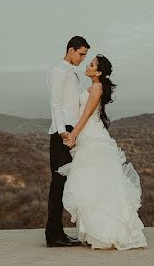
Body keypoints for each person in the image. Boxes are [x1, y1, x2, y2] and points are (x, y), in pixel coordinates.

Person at [57, 54, 147, 250]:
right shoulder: (92, 86)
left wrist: (73, 135)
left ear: (98, 72)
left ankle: (106, 231)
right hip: (88, 136)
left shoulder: (97, 87)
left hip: (92, 137)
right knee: (91, 181)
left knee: (96, 181)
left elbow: (87, 114)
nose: (87, 66)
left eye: (91, 65)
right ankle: (92, 231)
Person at [44, 35, 88, 247]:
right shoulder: (58, 71)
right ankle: (53, 235)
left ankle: (57, 232)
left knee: (64, 184)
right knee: (58, 183)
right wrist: (62, 132)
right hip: (61, 134)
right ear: (71, 50)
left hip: (71, 132)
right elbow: (56, 104)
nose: (82, 59)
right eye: (81, 54)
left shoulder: (72, 73)